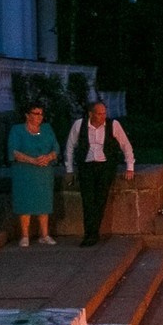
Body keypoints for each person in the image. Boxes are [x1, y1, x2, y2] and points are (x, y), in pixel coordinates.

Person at [64, 100, 134, 247]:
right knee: (88, 200)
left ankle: (93, 233)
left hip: (105, 167)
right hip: (86, 166)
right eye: (99, 113)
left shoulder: (113, 125)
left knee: (100, 199)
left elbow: (125, 145)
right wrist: (69, 169)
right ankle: (89, 233)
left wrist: (130, 166)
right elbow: (70, 147)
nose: (103, 116)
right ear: (91, 114)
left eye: (104, 113)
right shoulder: (79, 125)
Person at [9, 103, 59, 246]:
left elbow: (55, 147)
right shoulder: (17, 130)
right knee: (25, 201)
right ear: (27, 115)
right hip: (24, 171)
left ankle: (45, 234)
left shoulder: (47, 129)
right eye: (36, 113)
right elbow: (14, 151)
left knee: (44, 201)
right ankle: (25, 235)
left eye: (41, 114)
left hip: (44, 171)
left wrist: (48, 157)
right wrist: (32, 160)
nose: (39, 117)